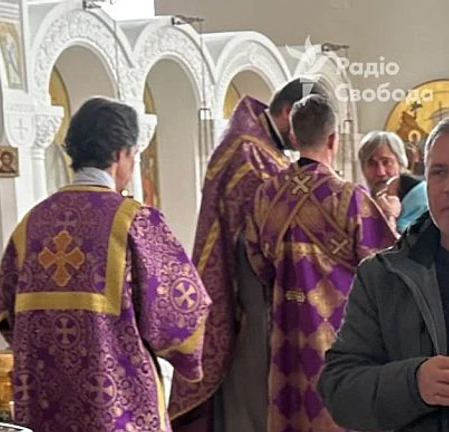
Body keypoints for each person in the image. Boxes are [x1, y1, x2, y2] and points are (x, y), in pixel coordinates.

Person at [0, 97, 211, 432]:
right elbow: (180, 312)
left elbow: (5, 313)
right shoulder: (135, 221)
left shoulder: (32, 224)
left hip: (45, 404)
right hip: (117, 405)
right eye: (134, 156)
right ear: (121, 153)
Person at [169, 78, 328, 431]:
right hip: (252, 301)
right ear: (288, 113)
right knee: (255, 399)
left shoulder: (255, 142)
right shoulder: (249, 152)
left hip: (263, 296)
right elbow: (276, 231)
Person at [244, 95, 397, 431]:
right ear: (333, 138)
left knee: (290, 409)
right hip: (340, 333)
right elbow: (386, 267)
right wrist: (392, 220)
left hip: (285, 328)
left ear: (295, 138)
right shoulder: (350, 197)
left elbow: (257, 260)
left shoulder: (266, 195)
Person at [318, 118, 449, 432]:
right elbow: (340, 389)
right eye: (439, 172)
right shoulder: (382, 277)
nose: (448, 187)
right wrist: (413, 383)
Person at [359, 131, 428, 233]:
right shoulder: (361, 200)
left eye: (386, 162)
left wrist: (390, 216)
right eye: (371, 163)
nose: (380, 172)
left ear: (400, 163)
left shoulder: (421, 196)